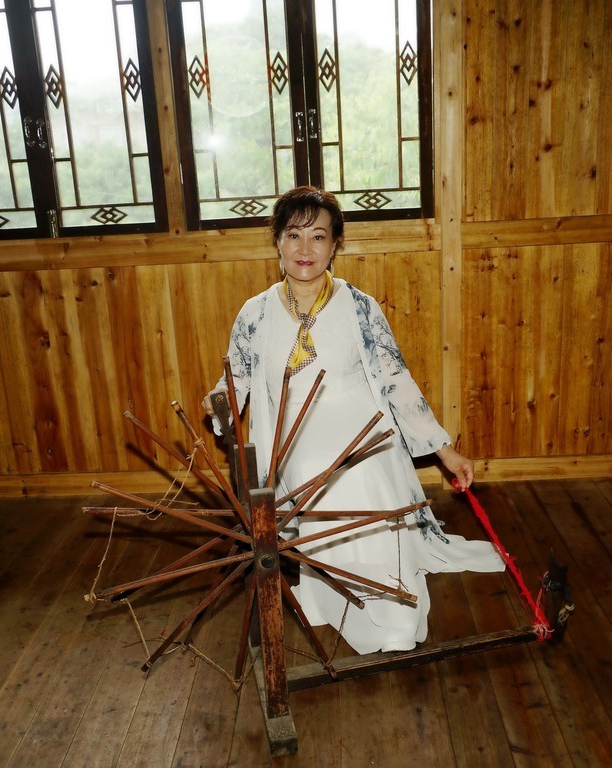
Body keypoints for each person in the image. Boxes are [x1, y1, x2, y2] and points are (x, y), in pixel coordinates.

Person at [204, 186, 504, 654]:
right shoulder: (254, 314)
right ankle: (336, 596)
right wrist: (218, 402)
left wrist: (445, 451)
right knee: (311, 467)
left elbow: (395, 380)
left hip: (359, 420)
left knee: (361, 467)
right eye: (294, 235)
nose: (306, 249)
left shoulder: (361, 307)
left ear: (335, 245)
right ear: (278, 243)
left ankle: (388, 602)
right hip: (291, 428)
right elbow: (234, 379)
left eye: (319, 237)